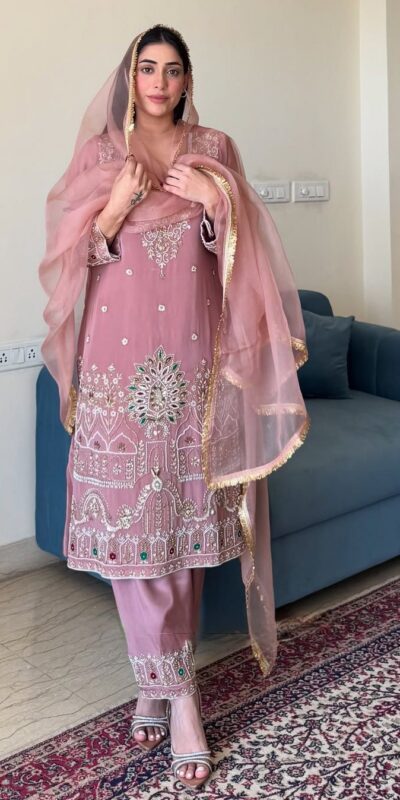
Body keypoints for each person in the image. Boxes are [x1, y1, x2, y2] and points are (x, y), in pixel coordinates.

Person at [39, 24, 309, 791]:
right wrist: (114, 210)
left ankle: (157, 684)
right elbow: (68, 264)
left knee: (181, 539)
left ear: (188, 80)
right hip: (118, 377)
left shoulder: (215, 150)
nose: (158, 82)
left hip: (194, 374)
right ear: (130, 77)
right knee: (134, 539)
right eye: (147, 68)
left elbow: (245, 258)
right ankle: (179, 694)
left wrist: (217, 203)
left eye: (172, 69)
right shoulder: (101, 158)